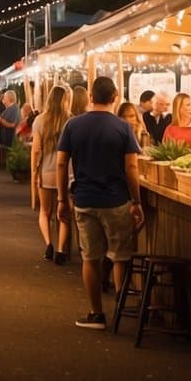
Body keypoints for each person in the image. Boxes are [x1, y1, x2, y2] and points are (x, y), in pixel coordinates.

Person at [57, 76, 142, 331]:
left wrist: (62, 199)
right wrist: (136, 201)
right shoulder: (123, 128)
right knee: (119, 257)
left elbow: (61, 163)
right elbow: (131, 166)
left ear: (91, 96)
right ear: (115, 97)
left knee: (90, 258)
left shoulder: (73, 125)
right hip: (116, 200)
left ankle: (96, 314)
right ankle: (119, 311)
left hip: (84, 199)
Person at [33, 85, 73, 264]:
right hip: (67, 173)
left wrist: (35, 171)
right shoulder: (70, 121)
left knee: (44, 211)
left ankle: (48, 243)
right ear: (65, 100)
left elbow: (36, 150)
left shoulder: (40, 120)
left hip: (47, 171)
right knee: (64, 213)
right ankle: (61, 249)